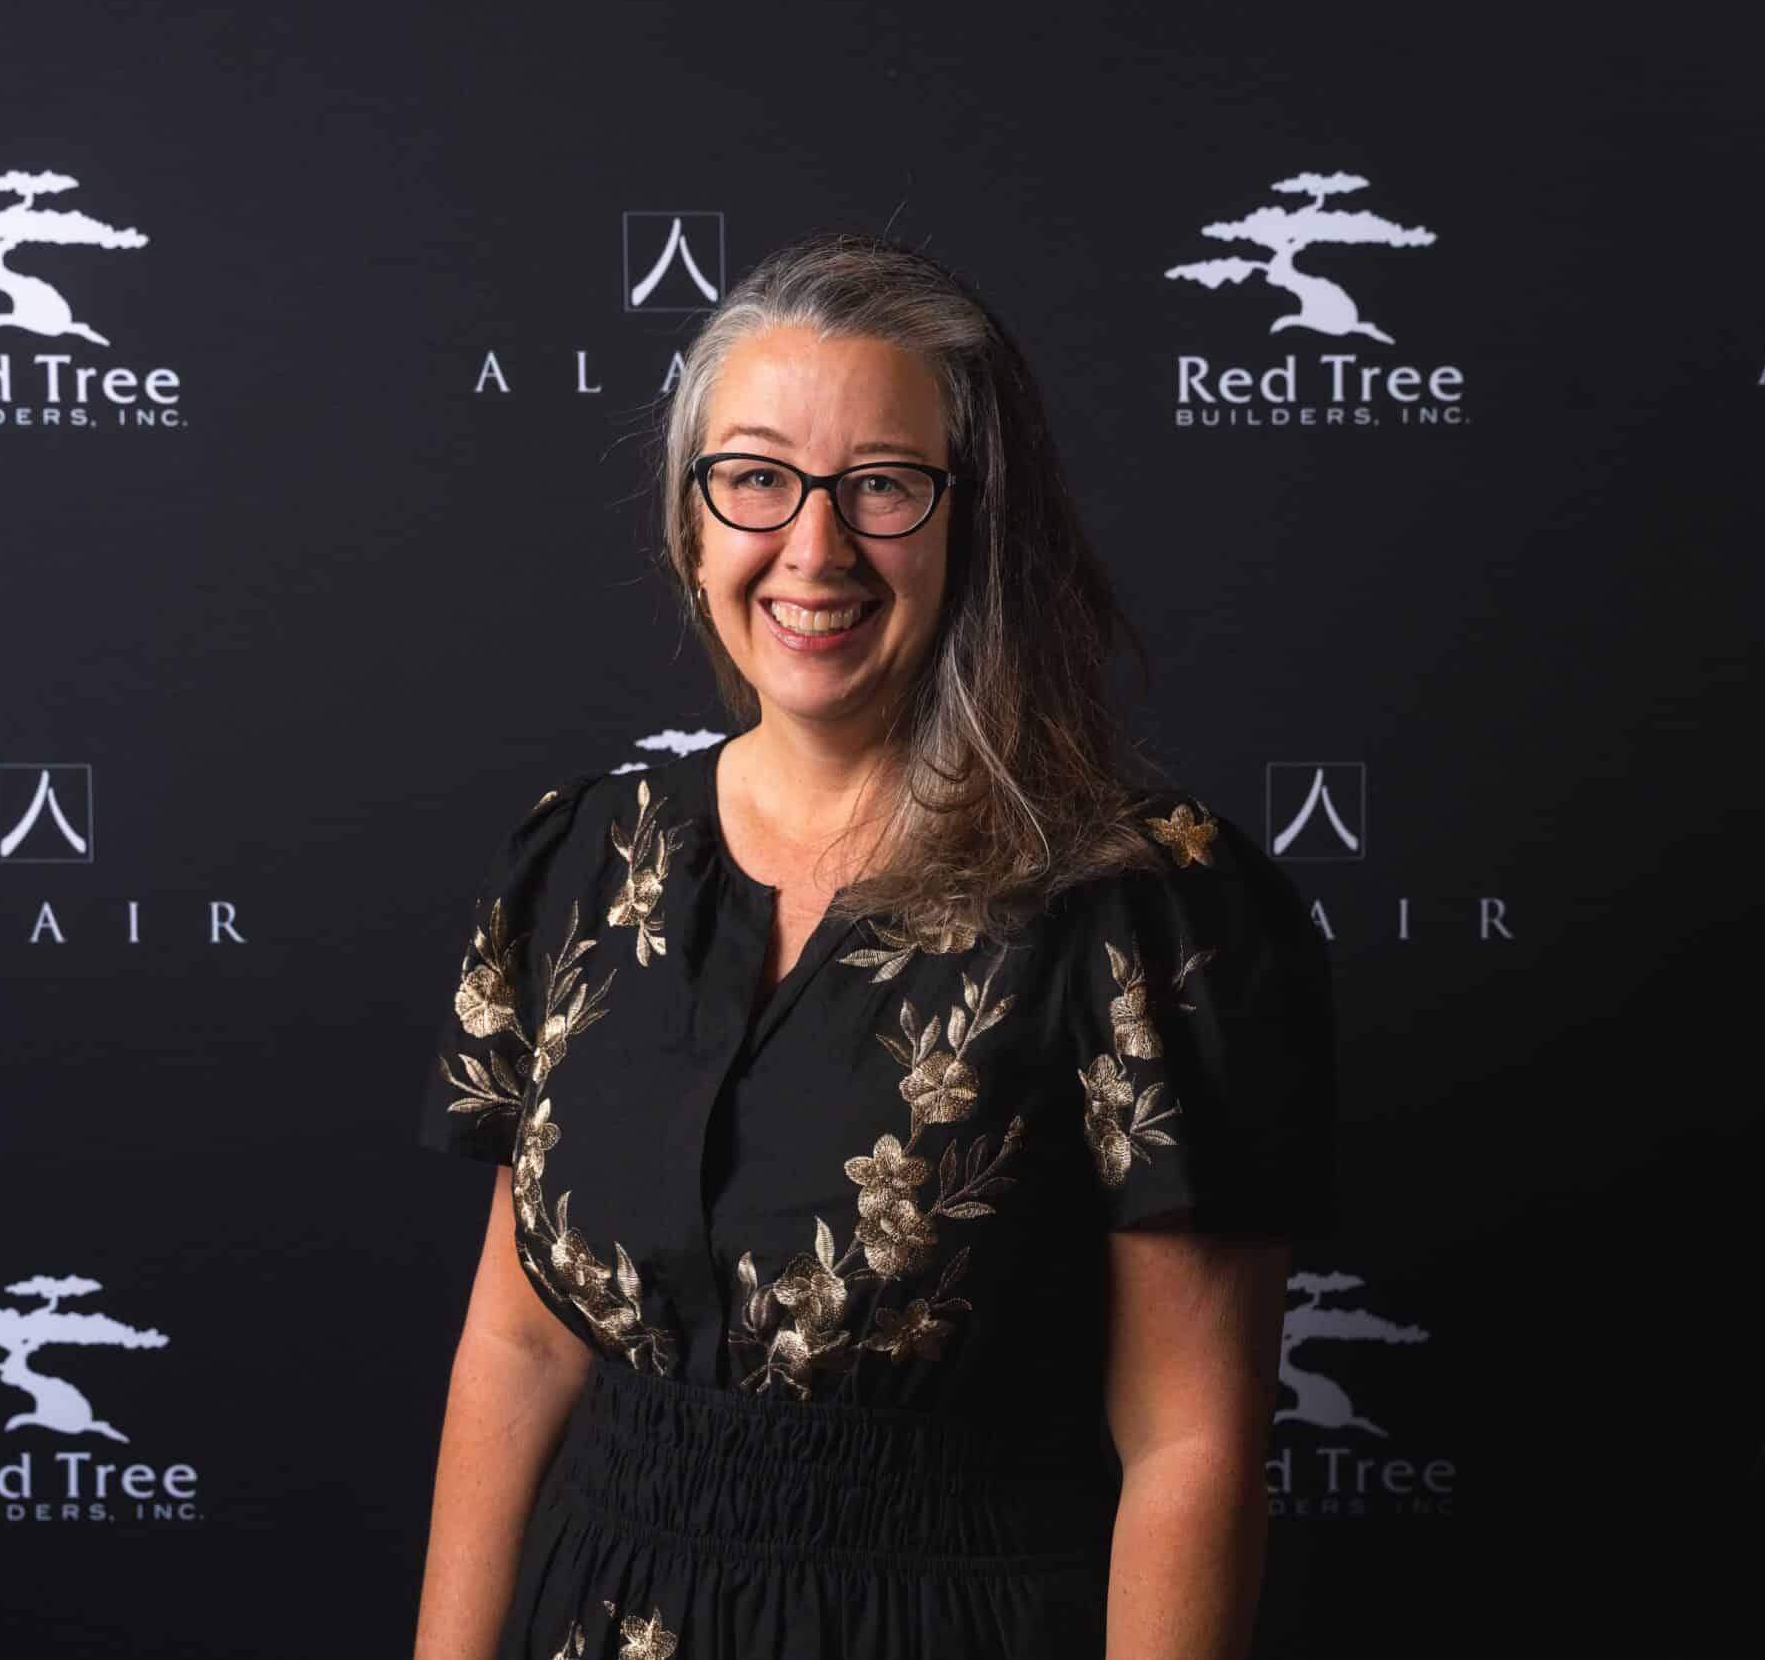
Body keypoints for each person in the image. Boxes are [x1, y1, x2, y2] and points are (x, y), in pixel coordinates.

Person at [409, 230, 1337, 1659]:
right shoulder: (582, 861)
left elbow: (1189, 1446)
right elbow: (521, 1344)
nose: (814, 547)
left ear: (980, 525)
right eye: (755, 479)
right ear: (692, 525)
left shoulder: (1139, 902)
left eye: (885, 486)